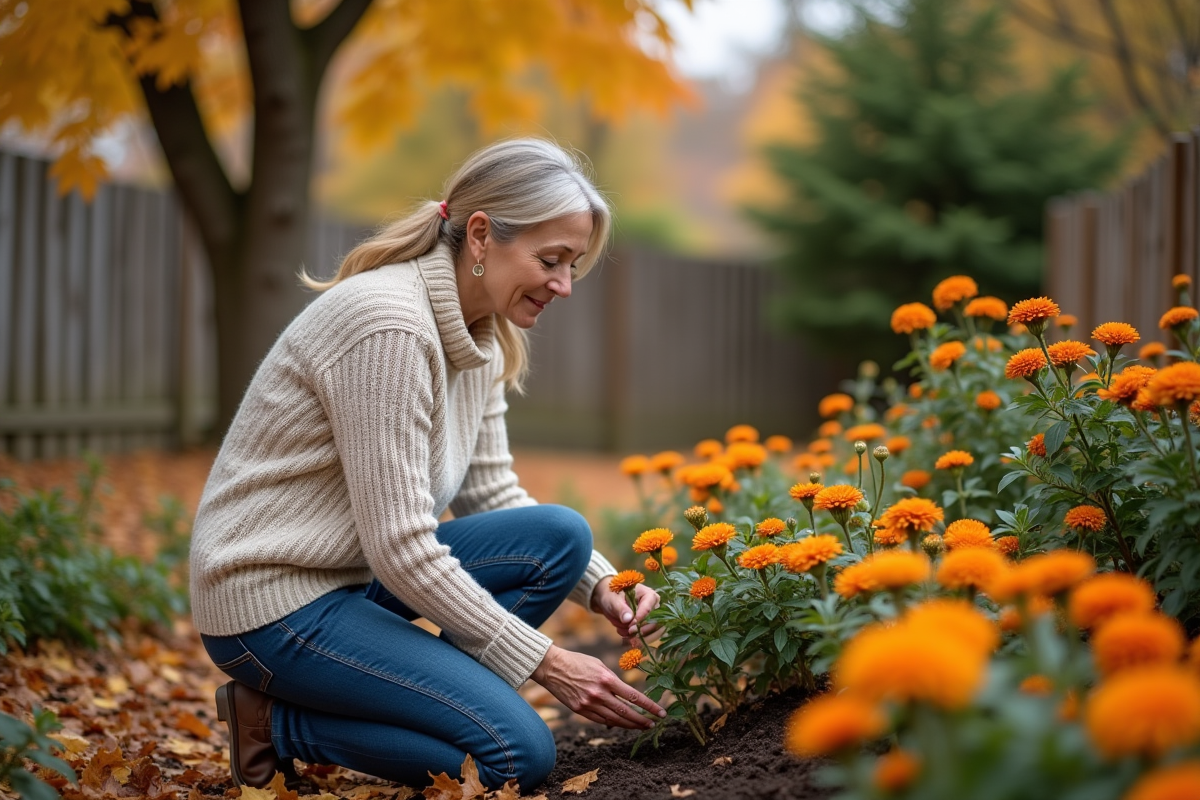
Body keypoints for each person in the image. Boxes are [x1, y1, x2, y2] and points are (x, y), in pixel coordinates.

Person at [189, 139, 665, 793]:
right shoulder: (390, 329)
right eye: (551, 260)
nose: (565, 285)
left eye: (574, 264)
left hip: (347, 580)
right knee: (514, 756)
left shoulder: (484, 331)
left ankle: (432, 693)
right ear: (479, 236)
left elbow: (491, 492)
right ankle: (273, 722)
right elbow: (401, 546)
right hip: (272, 606)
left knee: (561, 537)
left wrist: (606, 586)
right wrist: (546, 662)